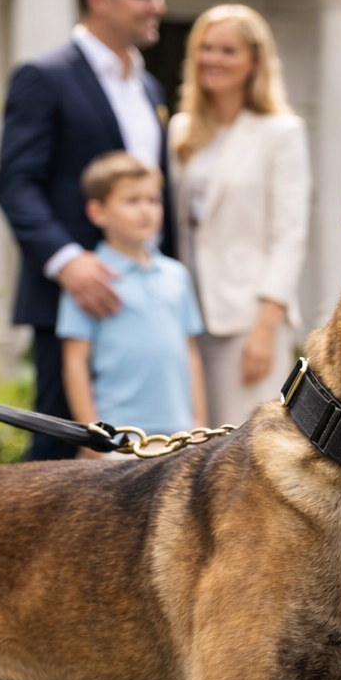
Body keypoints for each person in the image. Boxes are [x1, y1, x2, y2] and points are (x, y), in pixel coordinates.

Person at [0, 0, 175, 460]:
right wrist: (69, 264)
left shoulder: (150, 90)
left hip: (143, 302)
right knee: (59, 450)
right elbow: (15, 184)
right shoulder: (44, 78)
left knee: (143, 458)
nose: (157, 6)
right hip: (70, 299)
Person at [168, 5, 310, 427]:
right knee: (187, 447)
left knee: (241, 444)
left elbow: (289, 233)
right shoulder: (180, 130)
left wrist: (265, 327)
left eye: (227, 50)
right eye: (206, 48)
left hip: (246, 317)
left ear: (254, 61)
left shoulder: (281, 132)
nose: (213, 59)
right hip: (184, 313)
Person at [59, 153, 206, 455]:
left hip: (179, 434)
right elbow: (75, 361)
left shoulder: (176, 275)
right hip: (118, 436)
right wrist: (91, 435)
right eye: (132, 201)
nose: (146, 210)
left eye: (153, 200)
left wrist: (199, 421)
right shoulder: (91, 279)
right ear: (98, 212)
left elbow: (190, 352)